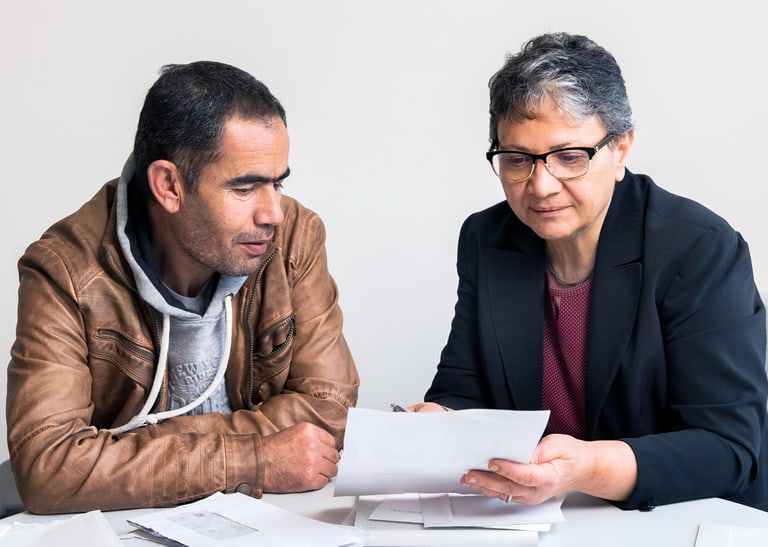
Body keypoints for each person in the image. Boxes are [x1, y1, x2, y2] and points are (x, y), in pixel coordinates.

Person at [412, 32, 768, 511]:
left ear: (621, 149)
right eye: (516, 160)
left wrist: (589, 468)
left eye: (569, 157)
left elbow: (727, 446)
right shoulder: (487, 239)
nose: (540, 186)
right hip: (544, 519)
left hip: (686, 515)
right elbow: (463, 386)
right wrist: (438, 419)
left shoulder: (697, 248)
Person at [6, 61, 359, 514]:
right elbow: (50, 467)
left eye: (277, 182)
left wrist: (119, 453)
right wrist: (251, 458)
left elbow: (329, 408)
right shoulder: (66, 271)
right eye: (246, 188)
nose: (273, 212)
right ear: (169, 186)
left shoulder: (295, 238)